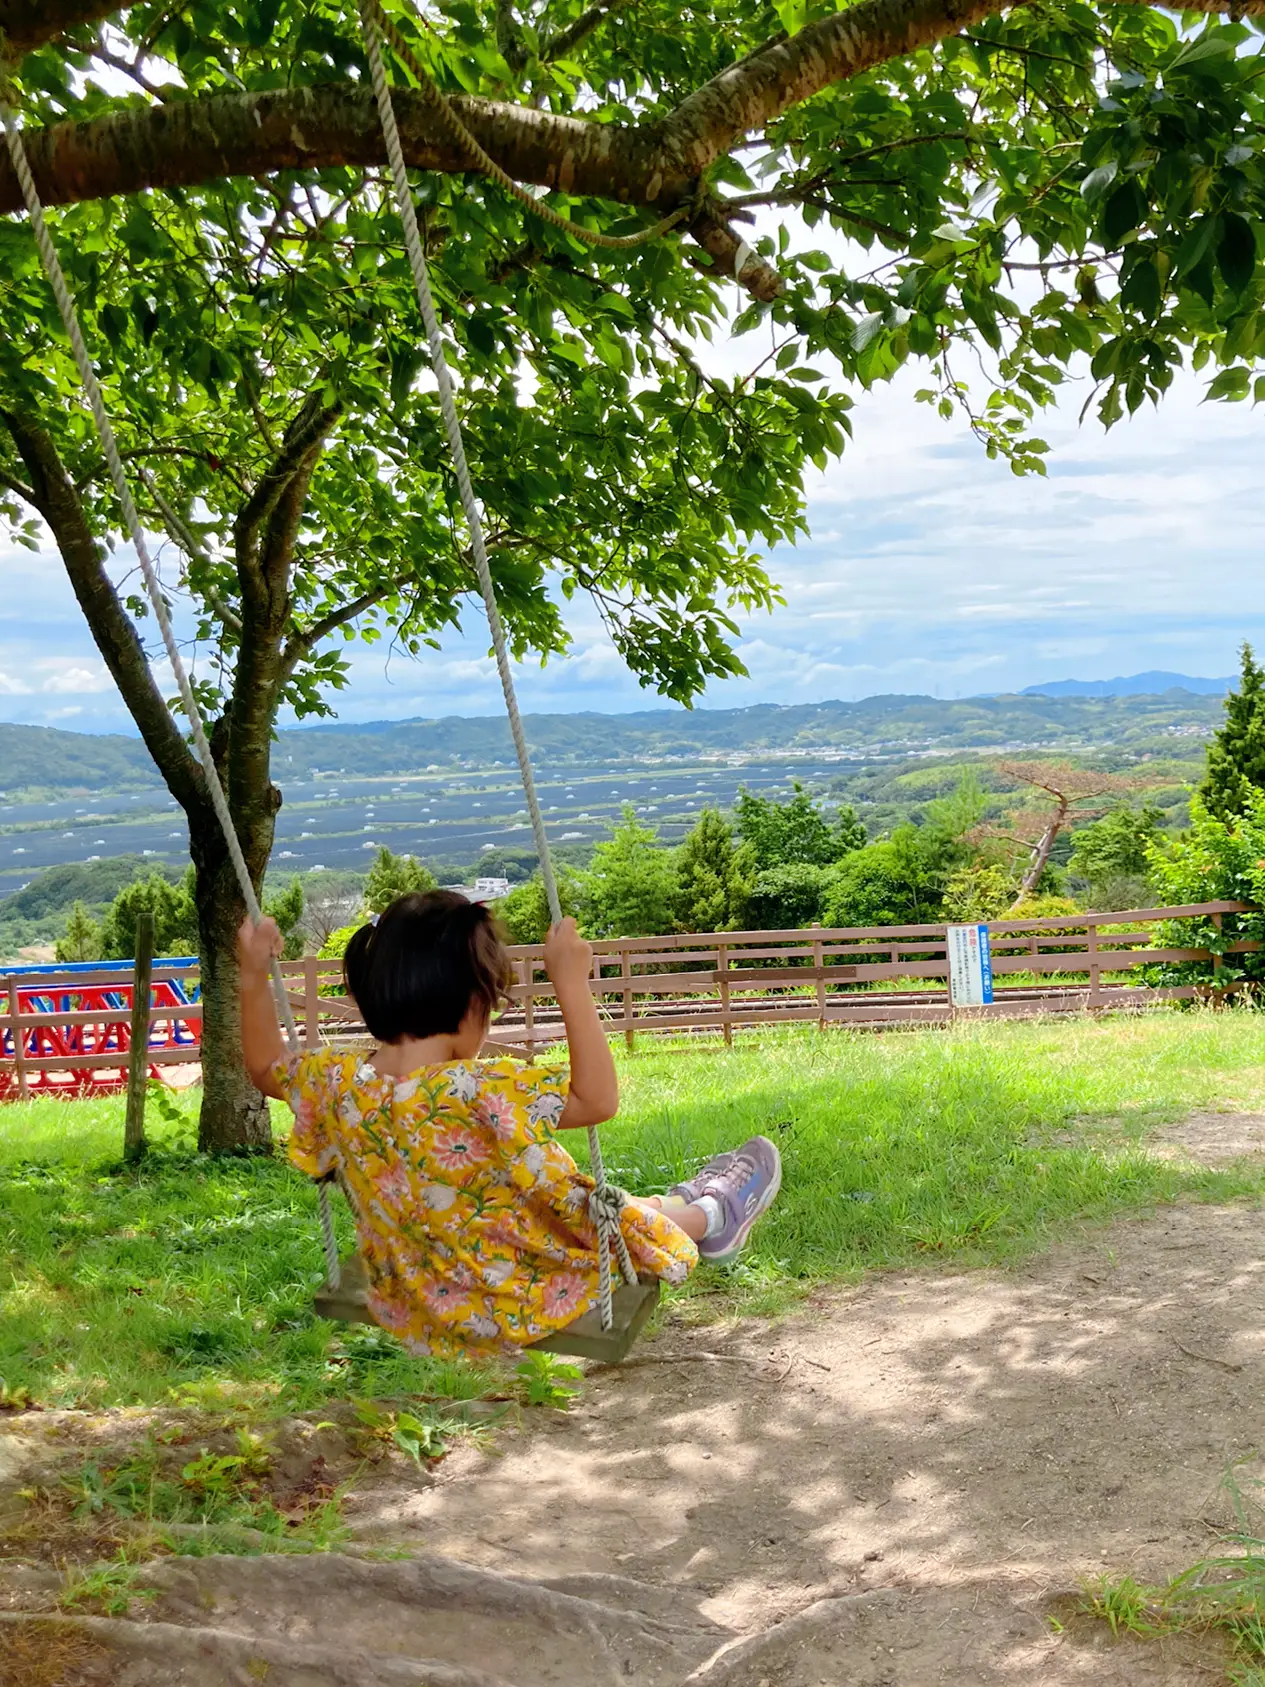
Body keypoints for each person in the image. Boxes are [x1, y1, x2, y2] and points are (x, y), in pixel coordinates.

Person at [237, 890, 781, 1357]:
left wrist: (251, 977)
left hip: (413, 1291)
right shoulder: (478, 1089)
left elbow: (263, 1067)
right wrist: (571, 984)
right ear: (475, 1002)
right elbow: (596, 1100)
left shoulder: (335, 1080)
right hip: (507, 1294)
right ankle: (712, 1216)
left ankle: (673, 1202)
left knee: (567, 1199)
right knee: (589, 1214)